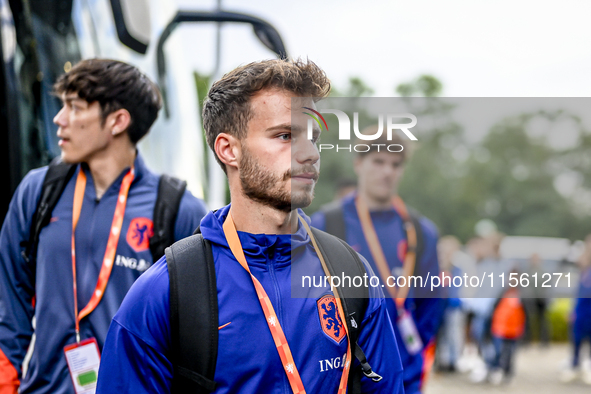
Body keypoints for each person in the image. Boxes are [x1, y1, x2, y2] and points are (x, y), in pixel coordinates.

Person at [96, 59, 404, 393]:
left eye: (313, 138)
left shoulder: (350, 271)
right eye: (285, 135)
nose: (310, 154)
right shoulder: (165, 292)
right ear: (228, 150)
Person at [0, 59, 207, 394]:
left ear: (117, 121)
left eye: (74, 107)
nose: (59, 118)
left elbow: (204, 331)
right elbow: (8, 309)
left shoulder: (177, 209)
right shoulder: (37, 192)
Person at [311, 130, 444, 394]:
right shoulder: (326, 224)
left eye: (395, 165)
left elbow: (433, 301)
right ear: (358, 163)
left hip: (404, 372)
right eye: (379, 162)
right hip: (342, 373)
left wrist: (408, 348)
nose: (388, 172)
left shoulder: (420, 230)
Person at [561, 234, 591, 385]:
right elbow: (578, 293)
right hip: (581, 311)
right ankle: (575, 367)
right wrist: (572, 311)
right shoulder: (583, 272)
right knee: (577, 341)